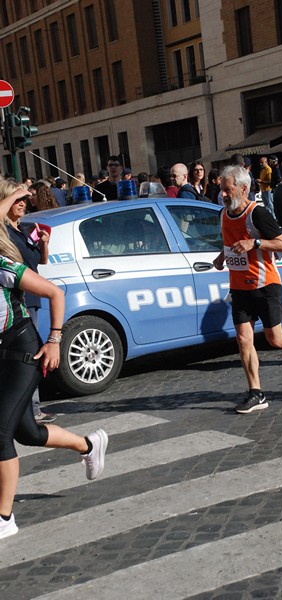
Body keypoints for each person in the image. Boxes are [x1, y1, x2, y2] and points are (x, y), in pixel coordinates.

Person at [0, 182, 108, 540]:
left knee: (0, 434)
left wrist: (55, 341)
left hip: (21, 349)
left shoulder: (3, 264)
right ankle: (88, 445)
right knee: (28, 433)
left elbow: (55, 292)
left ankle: (4, 519)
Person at [212, 165, 282, 414]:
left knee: (274, 338)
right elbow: (230, 243)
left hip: (266, 284)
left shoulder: (256, 213)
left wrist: (255, 242)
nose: (223, 195)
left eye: (228, 190)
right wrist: (221, 257)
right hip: (239, 287)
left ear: (244, 189)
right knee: (243, 339)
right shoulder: (223, 214)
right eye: (221, 190)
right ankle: (256, 393)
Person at [5, 186, 55, 423]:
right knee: (25, 353)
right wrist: (12, 194)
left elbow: (40, 261)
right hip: (17, 298)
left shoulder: (26, 229)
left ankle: (32, 406)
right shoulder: (4, 232)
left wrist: (44, 243)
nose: (23, 204)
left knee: (31, 351)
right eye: (18, 201)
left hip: (33, 296)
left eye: (25, 200)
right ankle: (29, 409)